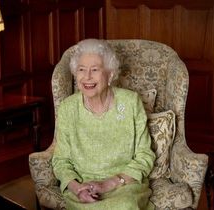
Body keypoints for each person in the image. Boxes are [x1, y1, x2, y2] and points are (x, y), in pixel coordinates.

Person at [52, 39, 156, 210]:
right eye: (81, 70)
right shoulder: (68, 108)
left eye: (95, 70)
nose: (87, 77)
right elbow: (61, 160)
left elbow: (145, 155)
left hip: (124, 184)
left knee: (124, 206)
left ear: (110, 74)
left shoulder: (130, 102)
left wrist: (110, 183)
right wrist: (77, 188)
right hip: (83, 186)